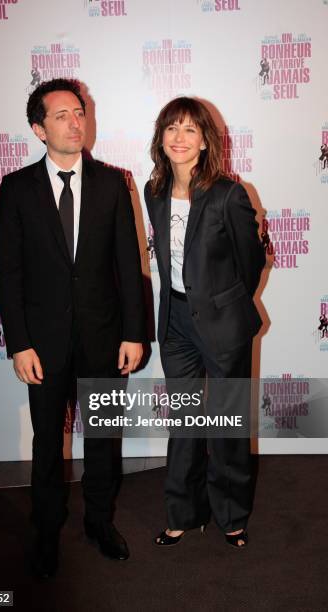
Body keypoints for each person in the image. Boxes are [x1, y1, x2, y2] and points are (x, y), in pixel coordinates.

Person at [0, 78, 146, 577]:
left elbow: (129, 264)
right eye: (61, 115)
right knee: (45, 443)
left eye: (78, 112)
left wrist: (134, 333)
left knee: (103, 438)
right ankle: (46, 529)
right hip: (44, 344)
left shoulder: (112, 182)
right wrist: (18, 343)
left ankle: (100, 523)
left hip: (105, 339)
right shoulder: (17, 188)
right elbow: (9, 271)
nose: (74, 122)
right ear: (39, 129)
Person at [144, 97, 265, 549]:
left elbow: (249, 264)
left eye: (190, 130)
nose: (179, 137)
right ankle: (183, 511)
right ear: (161, 137)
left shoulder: (228, 193)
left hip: (222, 322)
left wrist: (224, 305)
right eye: (172, 128)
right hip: (175, 321)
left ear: (205, 141)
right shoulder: (152, 190)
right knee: (185, 422)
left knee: (227, 423)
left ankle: (231, 515)